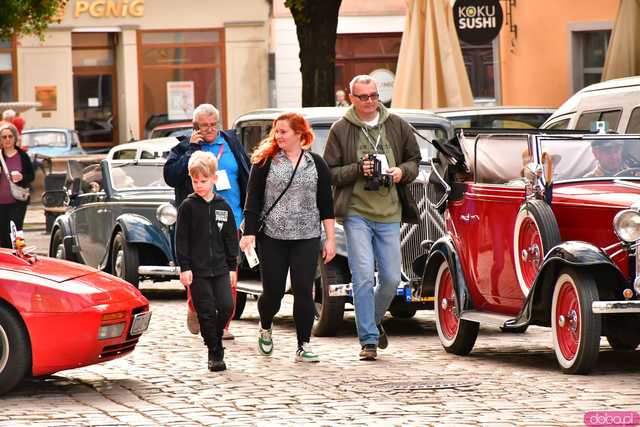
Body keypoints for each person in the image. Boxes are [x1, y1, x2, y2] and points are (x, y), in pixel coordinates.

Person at [323, 75, 421, 361]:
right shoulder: (341, 129)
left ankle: (372, 322)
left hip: (390, 211)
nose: (369, 102)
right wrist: (358, 169)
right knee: (363, 275)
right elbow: (330, 172)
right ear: (351, 98)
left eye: (374, 96)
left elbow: (414, 160)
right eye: (363, 97)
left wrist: (402, 172)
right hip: (356, 213)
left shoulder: (396, 124)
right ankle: (368, 340)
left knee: (391, 279)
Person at [240, 112, 336, 363]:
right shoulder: (265, 162)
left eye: (283, 131)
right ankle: (266, 324)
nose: (278, 136)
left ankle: (303, 345)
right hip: (273, 236)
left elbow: (326, 204)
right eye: (276, 132)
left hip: (307, 235)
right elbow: (252, 201)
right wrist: (249, 234)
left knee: (304, 290)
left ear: (299, 134)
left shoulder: (316, 163)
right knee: (274, 292)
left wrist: (331, 239)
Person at [164, 103, 250, 340]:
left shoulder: (231, 143)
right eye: (205, 126)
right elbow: (171, 177)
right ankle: (195, 307)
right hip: (198, 222)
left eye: (214, 125)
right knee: (200, 273)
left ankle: (222, 325)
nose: (211, 129)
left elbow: (246, 175)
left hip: (231, 218)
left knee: (229, 270)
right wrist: (191, 148)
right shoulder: (184, 147)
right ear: (195, 127)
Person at [175, 151, 238, 372]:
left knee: (226, 306)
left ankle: (214, 333)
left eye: (203, 180)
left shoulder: (223, 205)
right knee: (207, 310)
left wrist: (232, 266)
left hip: (221, 268)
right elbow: (181, 240)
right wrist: (185, 267)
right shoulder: (188, 207)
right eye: (195, 181)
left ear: (213, 179)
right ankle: (215, 351)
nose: (199, 185)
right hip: (198, 270)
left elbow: (231, 237)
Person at [0, 123, 34, 248]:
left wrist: (22, 177)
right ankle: (5, 263)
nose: (7, 139)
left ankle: (18, 258)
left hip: (18, 201)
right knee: (2, 233)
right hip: (0, 202)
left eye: (10, 136)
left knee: (16, 231)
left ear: (15, 138)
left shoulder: (22, 156)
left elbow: (31, 176)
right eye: (4, 137)